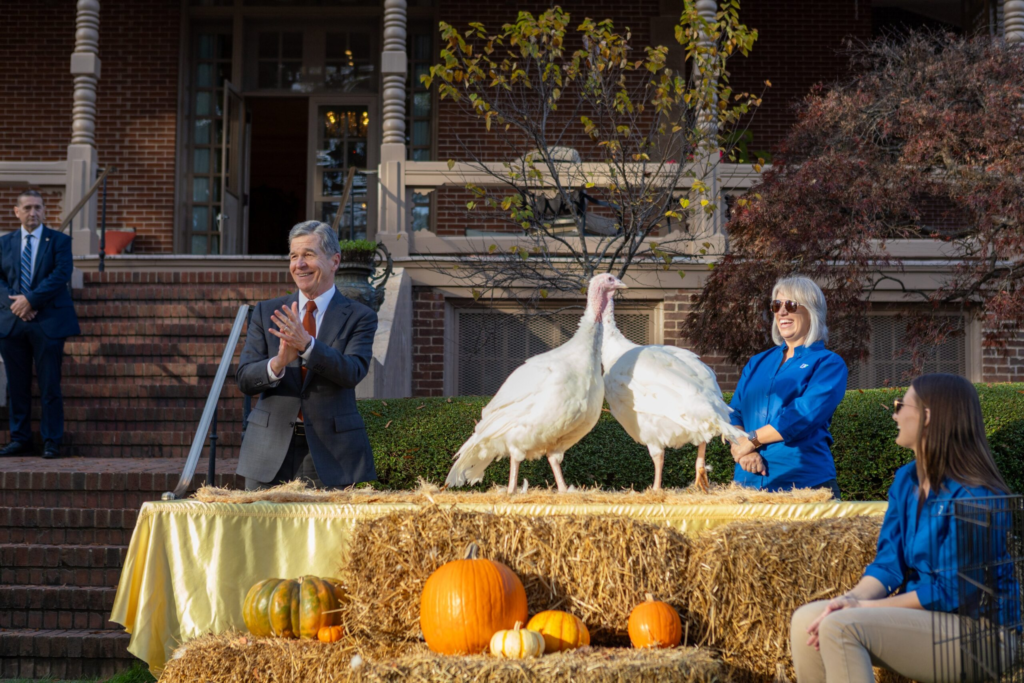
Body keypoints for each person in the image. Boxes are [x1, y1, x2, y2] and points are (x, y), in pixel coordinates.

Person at [789, 374, 1014, 683]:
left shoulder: (976, 494)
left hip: (983, 634)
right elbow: (888, 563)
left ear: (927, 416)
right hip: (929, 621)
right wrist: (850, 599)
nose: (894, 414)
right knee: (807, 620)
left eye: (899, 405)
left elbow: (950, 591)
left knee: (841, 625)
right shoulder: (906, 479)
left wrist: (864, 609)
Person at [235, 221, 378, 490]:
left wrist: (308, 346)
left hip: (331, 454)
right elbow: (244, 378)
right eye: (293, 256)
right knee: (263, 531)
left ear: (335, 261)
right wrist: (277, 363)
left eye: (309, 255)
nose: (299, 264)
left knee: (327, 533)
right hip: (268, 451)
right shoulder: (268, 312)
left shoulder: (360, 316)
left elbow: (353, 372)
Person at [727, 275, 848, 496]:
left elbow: (802, 414)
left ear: (812, 312)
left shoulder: (828, 363)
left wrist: (752, 440)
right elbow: (733, 414)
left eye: (791, 305)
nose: (782, 312)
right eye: (777, 305)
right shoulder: (757, 363)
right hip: (747, 485)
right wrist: (743, 449)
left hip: (804, 485)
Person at [0, 190, 80, 459]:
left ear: (45, 211)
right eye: (27, 208)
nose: (33, 212)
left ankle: (51, 441)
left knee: (49, 385)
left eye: (38, 207)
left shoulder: (59, 241)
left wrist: (31, 301)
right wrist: (17, 305)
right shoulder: (4, 242)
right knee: (16, 385)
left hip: (48, 321)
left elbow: (61, 275)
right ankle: (20, 439)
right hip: (13, 323)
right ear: (17, 211)